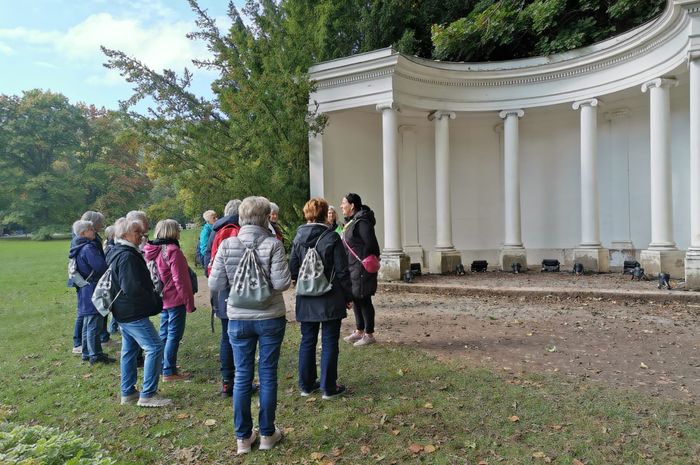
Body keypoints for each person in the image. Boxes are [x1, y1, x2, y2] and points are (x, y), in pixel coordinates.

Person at [208, 196, 291, 454]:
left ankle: (243, 439)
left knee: (242, 375)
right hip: (270, 317)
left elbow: (215, 284)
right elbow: (281, 284)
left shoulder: (227, 244)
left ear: (241, 218)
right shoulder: (273, 245)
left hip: (238, 319)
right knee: (267, 373)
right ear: (266, 217)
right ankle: (267, 434)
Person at [289, 198, 352, 399]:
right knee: (329, 340)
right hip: (330, 295)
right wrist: (348, 296)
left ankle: (306, 386)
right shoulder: (332, 238)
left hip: (306, 296)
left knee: (307, 340)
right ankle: (328, 387)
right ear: (325, 214)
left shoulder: (298, 237)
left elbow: (292, 268)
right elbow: (342, 271)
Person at [107, 217, 171, 408]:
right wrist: (153, 300)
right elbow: (133, 288)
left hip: (122, 310)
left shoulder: (117, 251)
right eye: (137, 232)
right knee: (154, 347)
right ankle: (148, 394)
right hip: (131, 312)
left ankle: (128, 392)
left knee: (130, 349)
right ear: (124, 234)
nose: (141, 236)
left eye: (142, 233)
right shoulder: (126, 255)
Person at [144, 219, 196, 382]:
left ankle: (162, 366)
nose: (180, 232)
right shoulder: (173, 250)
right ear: (173, 232)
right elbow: (180, 280)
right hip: (175, 298)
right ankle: (169, 371)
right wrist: (189, 302)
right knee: (174, 335)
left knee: (164, 333)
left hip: (161, 298)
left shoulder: (152, 249)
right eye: (178, 229)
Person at [206, 199, 242, 397]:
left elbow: (206, 259)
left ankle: (227, 381)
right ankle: (237, 380)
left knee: (225, 336)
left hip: (219, 290)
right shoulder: (236, 229)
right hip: (234, 291)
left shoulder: (214, 230)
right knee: (235, 337)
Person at [69, 220, 113, 365]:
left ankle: (87, 352)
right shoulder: (88, 248)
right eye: (90, 229)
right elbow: (100, 267)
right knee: (94, 321)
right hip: (92, 287)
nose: (94, 231)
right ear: (83, 233)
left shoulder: (77, 245)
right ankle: (96, 354)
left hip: (84, 287)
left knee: (88, 321)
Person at [340, 193, 380, 347]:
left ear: (352, 205)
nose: (341, 205)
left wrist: (364, 259)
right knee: (356, 297)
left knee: (364, 298)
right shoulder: (352, 221)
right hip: (353, 267)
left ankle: (369, 334)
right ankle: (359, 330)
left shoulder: (362, 222)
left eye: (344, 203)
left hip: (361, 267)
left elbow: (371, 244)